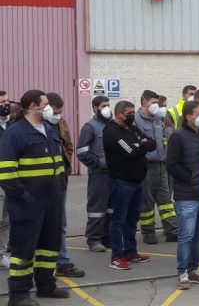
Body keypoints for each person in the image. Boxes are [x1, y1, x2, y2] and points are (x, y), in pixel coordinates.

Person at [0, 90, 70, 305]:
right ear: (32, 106)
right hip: (27, 203)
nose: (48, 108)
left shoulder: (49, 129)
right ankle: (19, 295)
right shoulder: (16, 133)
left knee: (49, 244)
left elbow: (57, 162)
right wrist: (23, 197)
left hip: (52, 200)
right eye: (45, 104)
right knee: (24, 249)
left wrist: (59, 188)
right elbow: (6, 171)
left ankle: (46, 286)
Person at [166, 101, 199, 289]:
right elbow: (171, 164)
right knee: (186, 235)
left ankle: (193, 269)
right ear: (189, 117)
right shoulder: (178, 136)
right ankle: (182, 272)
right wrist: (189, 178)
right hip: (186, 195)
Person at [103, 101, 155, 270]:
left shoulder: (131, 128)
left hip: (137, 181)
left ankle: (130, 252)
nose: (131, 116)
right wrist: (140, 146)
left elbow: (152, 143)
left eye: (133, 112)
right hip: (121, 182)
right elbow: (129, 151)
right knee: (118, 220)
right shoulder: (111, 131)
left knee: (132, 219)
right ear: (118, 114)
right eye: (128, 113)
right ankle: (117, 256)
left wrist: (138, 145)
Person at [44, 93, 85, 278]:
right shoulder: (34, 127)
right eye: (55, 111)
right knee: (37, 224)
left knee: (60, 223)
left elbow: (69, 146)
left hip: (60, 179)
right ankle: (39, 266)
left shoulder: (61, 123)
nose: (58, 115)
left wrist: (65, 167)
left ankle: (62, 262)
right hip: (39, 183)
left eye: (60, 112)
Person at [134, 90, 178, 245]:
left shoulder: (160, 119)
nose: (156, 106)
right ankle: (148, 232)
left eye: (157, 103)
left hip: (161, 165)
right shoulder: (135, 120)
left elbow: (167, 138)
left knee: (165, 200)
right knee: (147, 202)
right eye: (153, 103)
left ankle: (172, 230)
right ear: (144, 102)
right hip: (146, 166)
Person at [76, 96, 113, 252]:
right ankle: (94, 239)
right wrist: (98, 163)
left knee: (111, 207)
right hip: (99, 173)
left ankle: (108, 237)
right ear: (95, 108)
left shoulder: (111, 126)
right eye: (103, 106)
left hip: (114, 173)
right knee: (97, 208)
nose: (107, 108)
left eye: (108, 105)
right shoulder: (89, 127)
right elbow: (82, 152)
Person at [0, 91, 12, 270]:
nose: (6, 104)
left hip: (9, 179)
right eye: (2, 101)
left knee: (5, 220)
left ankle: (3, 254)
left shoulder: (12, 124)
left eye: (7, 100)